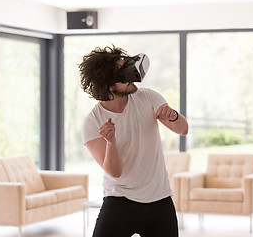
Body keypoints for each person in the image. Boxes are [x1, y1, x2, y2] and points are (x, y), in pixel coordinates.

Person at [79, 45, 188, 237]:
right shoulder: (92, 123)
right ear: (109, 86)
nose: (132, 78)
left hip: (159, 201)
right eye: (124, 74)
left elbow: (183, 129)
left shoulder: (148, 97)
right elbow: (115, 172)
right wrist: (111, 142)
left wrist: (173, 116)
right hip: (119, 202)